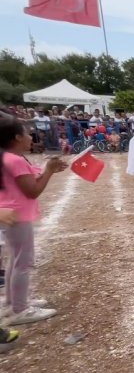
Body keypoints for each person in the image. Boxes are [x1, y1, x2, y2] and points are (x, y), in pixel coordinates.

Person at [0, 116, 68, 325]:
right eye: (27, 133)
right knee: (23, 262)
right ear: (17, 137)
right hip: (17, 215)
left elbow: (27, 182)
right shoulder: (16, 160)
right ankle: (20, 309)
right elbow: (32, 191)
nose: (31, 137)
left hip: (11, 213)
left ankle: (13, 302)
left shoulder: (7, 157)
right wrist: (48, 170)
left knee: (15, 258)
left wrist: (50, 170)